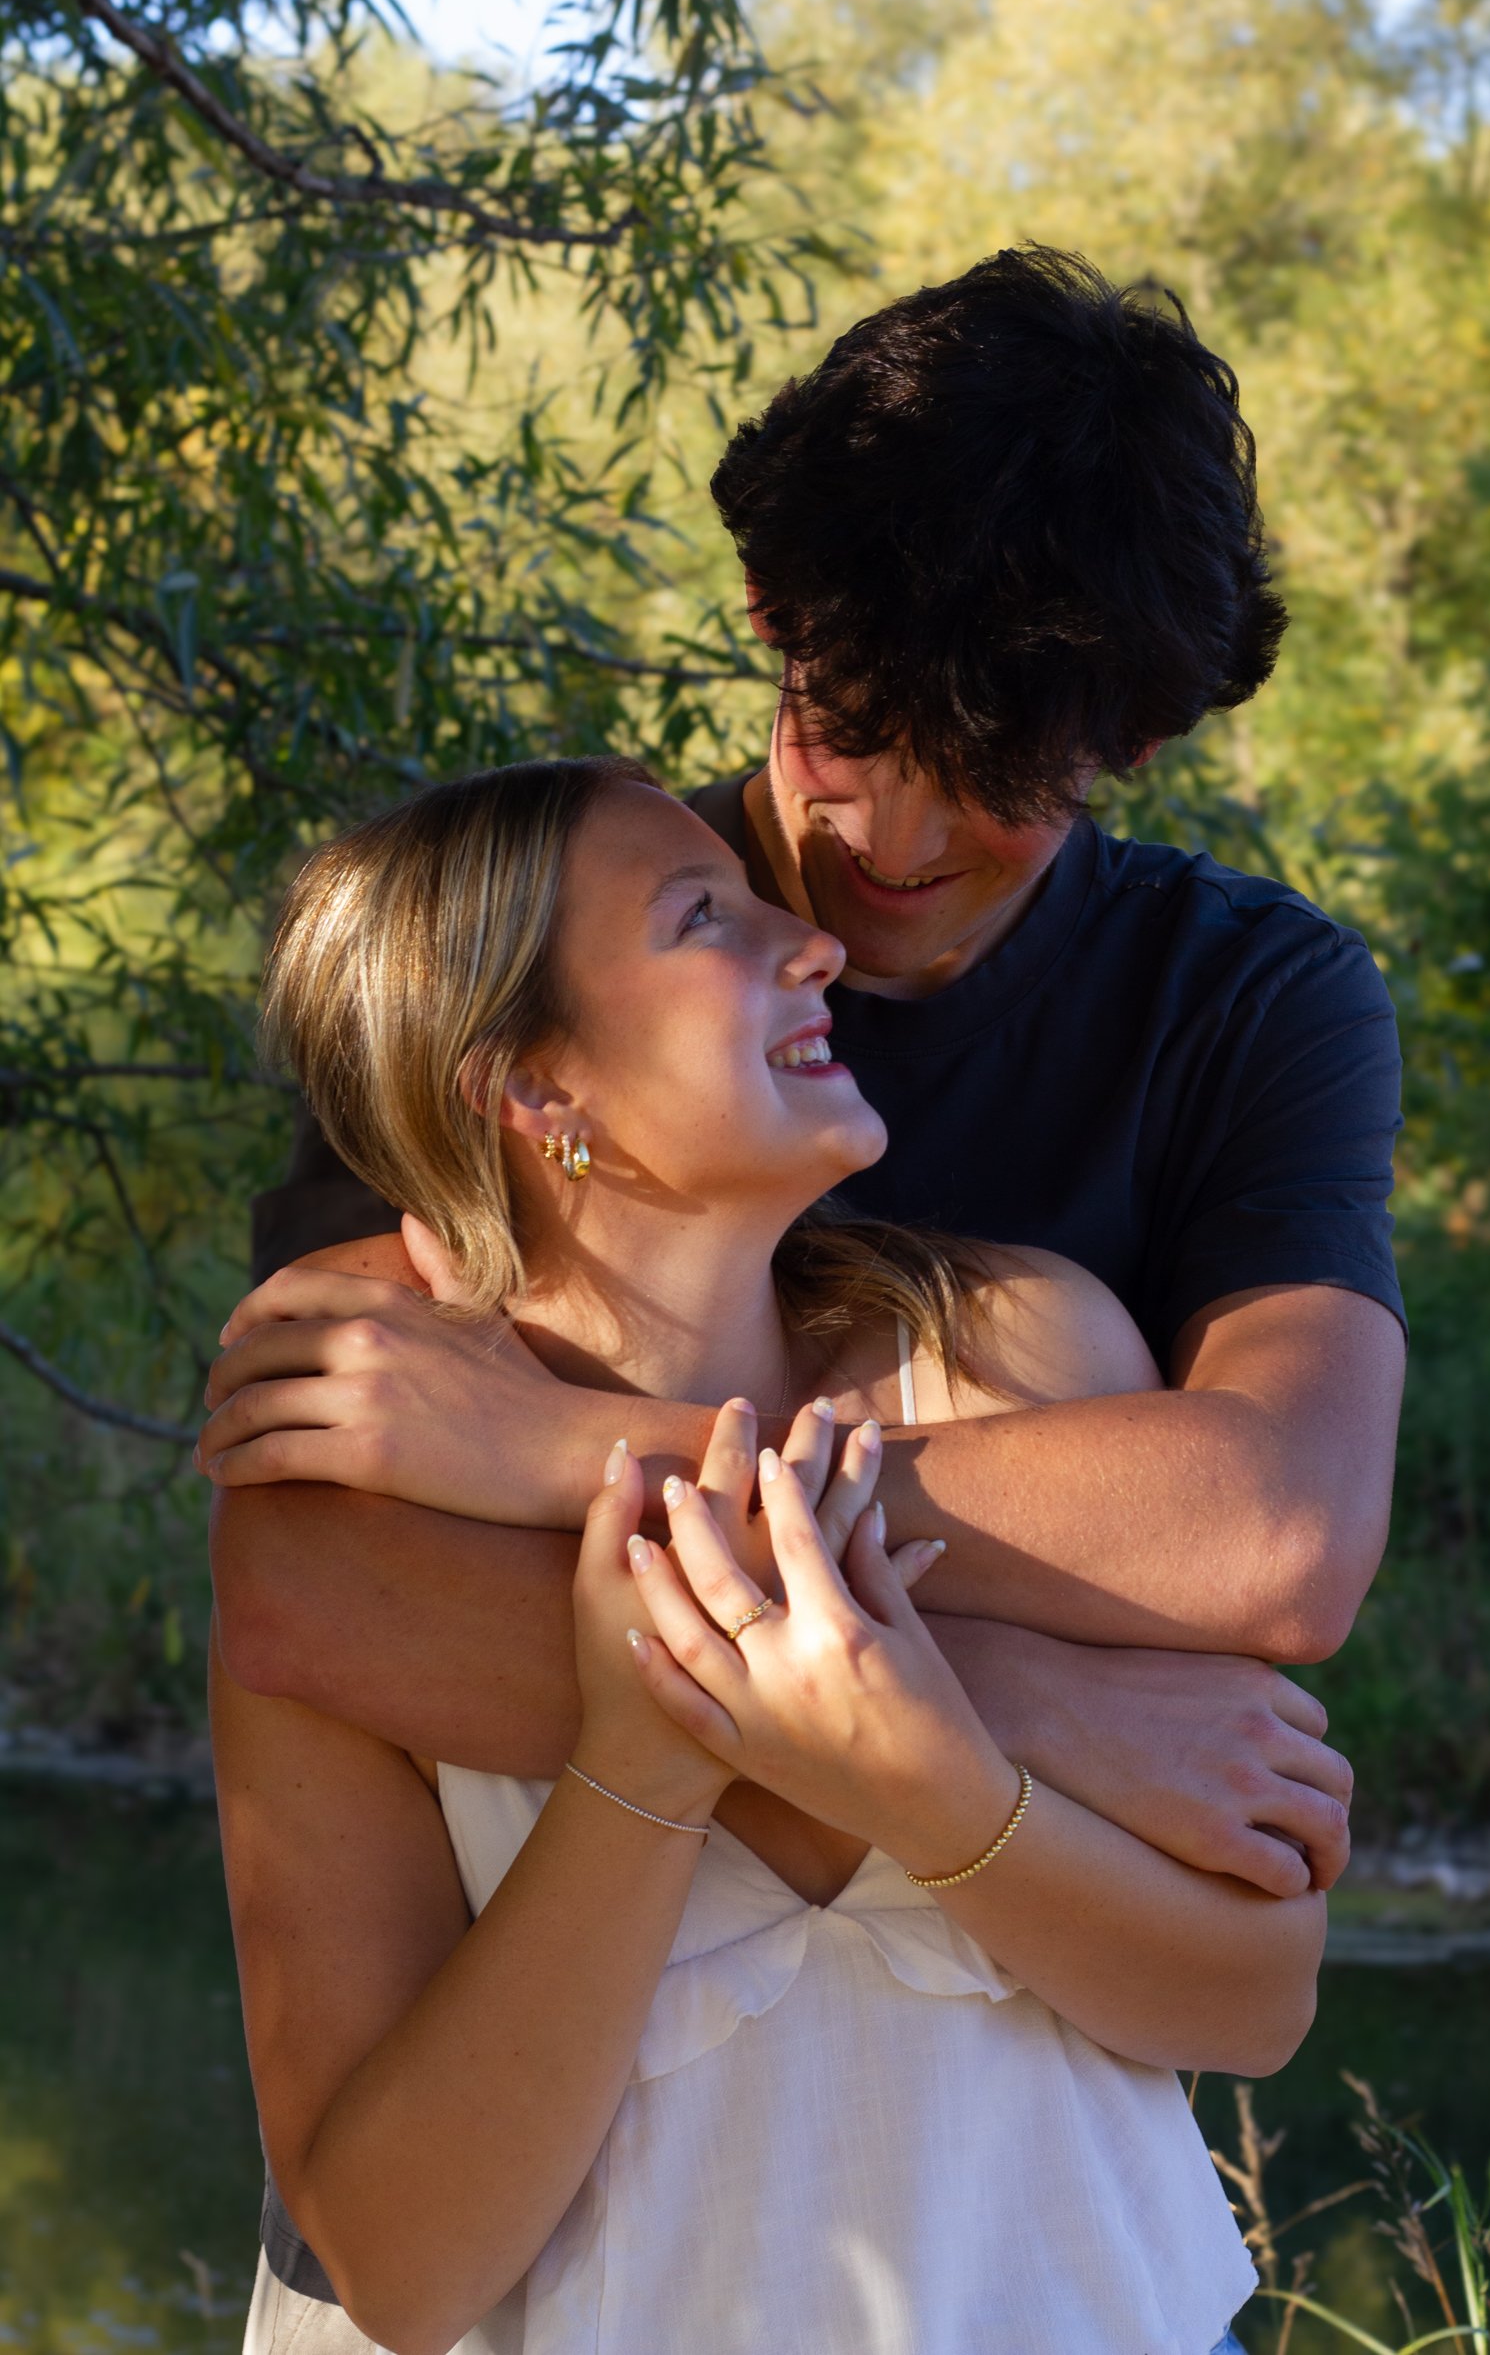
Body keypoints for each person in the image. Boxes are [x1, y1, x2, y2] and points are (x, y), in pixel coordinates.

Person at [204, 247, 1405, 2300]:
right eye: (851, 724)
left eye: (1010, 777)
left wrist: (595, 1455)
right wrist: (995, 1704)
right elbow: (317, 1589)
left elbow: (1275, 1539)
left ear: (1128, 742)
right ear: (772, 621)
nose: (891, 851)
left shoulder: (1242, 1011)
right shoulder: (519, 942)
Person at [218, 753, 1325, 2355]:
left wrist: (918, 1763)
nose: (810, 945)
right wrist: (648, 1766)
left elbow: (1258, 2000)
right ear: (534, 1089)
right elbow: (404, 2268)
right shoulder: (360, 1515)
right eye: (702, 922)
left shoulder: (1022, 1351)